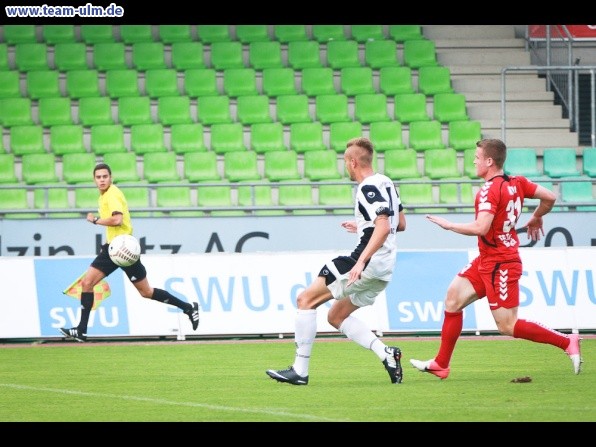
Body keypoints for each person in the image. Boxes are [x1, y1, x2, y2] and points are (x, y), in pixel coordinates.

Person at [410, 138, 582, 379]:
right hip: (487, 259)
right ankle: (441, 364)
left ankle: (566, 341)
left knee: (507, 325)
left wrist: (449, 225)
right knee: (453, 299)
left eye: (477, 157)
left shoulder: (489, 191)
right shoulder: (517, 182)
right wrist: (536, 216)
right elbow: (550, 197)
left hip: (501, 262)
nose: (474, 161)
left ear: (489, 161)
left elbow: (481, 227)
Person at [266, 137, 407, 385]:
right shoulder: (387, 182)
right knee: (336, 316)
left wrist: (361, 260)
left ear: (352, 162)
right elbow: (400, 224)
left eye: (345, 162)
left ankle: (300, 371)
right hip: (385, 267)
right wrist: (363, 226)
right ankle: (387, 355)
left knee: (305, 299)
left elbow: (384, 226)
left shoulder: (367, 188)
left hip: (365, 262)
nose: (346, 167)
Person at [60, 163, 199, 342]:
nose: (102, 180)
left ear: (111, 178)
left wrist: (95, 220)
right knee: (88, 283)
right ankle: (81, 330)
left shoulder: (113, 194)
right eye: (98, 177)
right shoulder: (103, 197)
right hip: (114, 248)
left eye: (105, 176)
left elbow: (117, 220)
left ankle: (188, 308)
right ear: (94, 180)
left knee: (145, 292)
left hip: (123, 250)